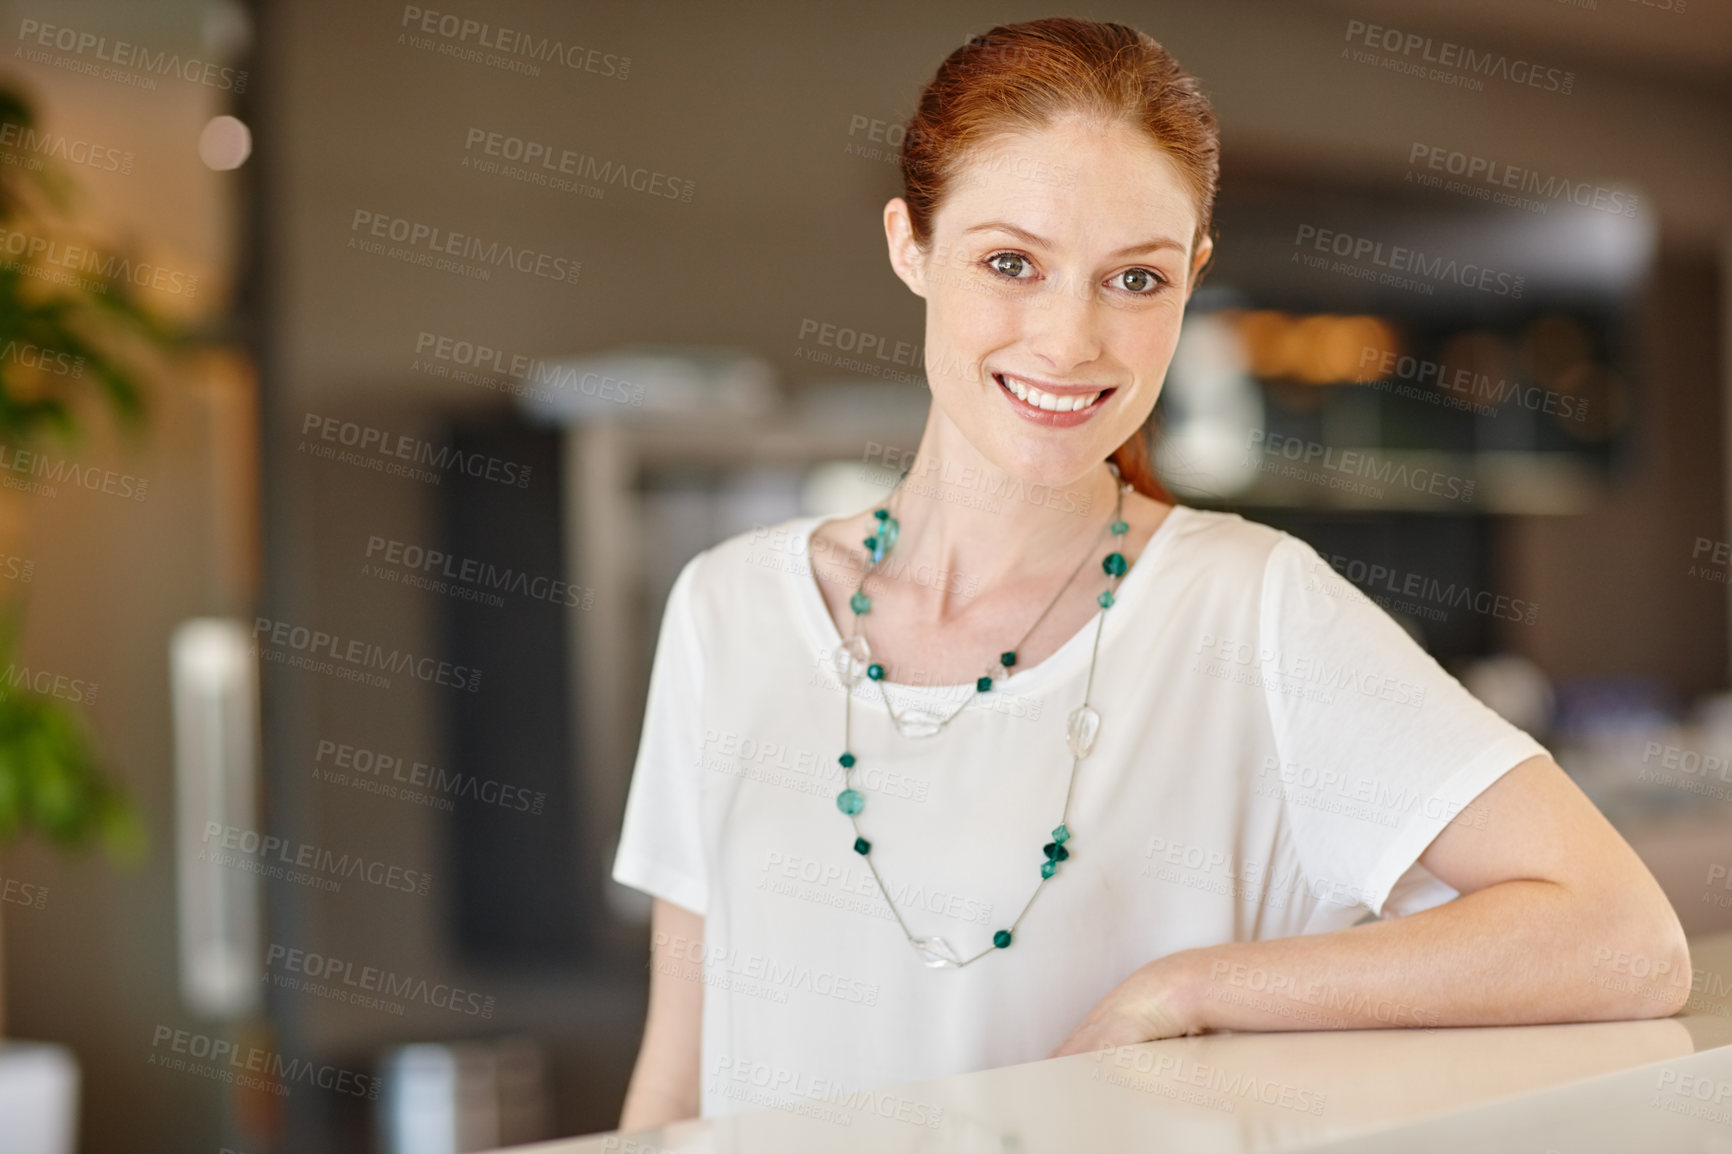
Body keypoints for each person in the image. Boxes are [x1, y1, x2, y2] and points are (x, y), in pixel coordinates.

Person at [609, 16, 1689, 1130]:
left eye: (1133, 277)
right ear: (909, 245)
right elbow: (680, 1080)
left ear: (1193, 279)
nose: (1071, 338)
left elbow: (1623, 940)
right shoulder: (725, 607)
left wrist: (1184, 988)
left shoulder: (1250, 606)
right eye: (1010, 262)